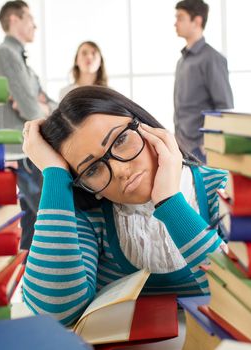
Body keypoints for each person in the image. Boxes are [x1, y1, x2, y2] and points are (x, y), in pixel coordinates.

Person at [21, 86, 228, 325]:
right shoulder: (91, 215)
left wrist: (170, 202)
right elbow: (56, 313)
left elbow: (242, 299)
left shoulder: (223, 189)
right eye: (93, 169)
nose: (119, 170)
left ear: (145, 126)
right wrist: (54, 173)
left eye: (120, 140)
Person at [0, 0, 57, 250]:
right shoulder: (4, 54)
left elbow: (49, 103)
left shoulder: (23, 62)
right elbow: (31, 108)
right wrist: (37, 105)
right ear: (14, 20)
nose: (35, 25)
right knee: (49, 219)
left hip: (25, 150)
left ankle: (28, 279)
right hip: (21, 152)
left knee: (31, 221)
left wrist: (41, 106)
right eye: (29, 18)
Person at [173, 0, 233, 162]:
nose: (175, 23)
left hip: (201, 147)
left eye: (180, 17)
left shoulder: (212, 58)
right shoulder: (182, 61)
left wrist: (208, 142)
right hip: (182, 144)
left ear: (197, 21)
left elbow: (225, 106)